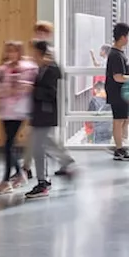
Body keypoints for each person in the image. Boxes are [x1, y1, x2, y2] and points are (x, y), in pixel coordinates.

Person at [26, 41, 76, 198]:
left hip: (46, 114)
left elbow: (52, 93)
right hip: (39, 114)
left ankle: (44, 182)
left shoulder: (52, 69)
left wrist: (33, 90)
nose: (32, 56)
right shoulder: (42, 68)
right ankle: (49, 176)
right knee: (40, 147)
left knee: (39, 147)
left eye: (34, 53)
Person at [0, 40, 36, 194]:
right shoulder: (3, 69)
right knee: (9, 144)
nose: (11, 54)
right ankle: (19, 174)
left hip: (19, 111)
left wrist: (18, 88)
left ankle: (6, 180)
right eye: (8, 51)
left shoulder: (27, 68)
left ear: (19, 52)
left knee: (8, 144)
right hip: (6, 110)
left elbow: (30, 87)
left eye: (14, 51)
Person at [20, 21, 55, 180]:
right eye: (38, 32)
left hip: (45, 105)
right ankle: (28, 169)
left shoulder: (48, 56)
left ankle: (66, 165)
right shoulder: (35, 52)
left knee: (41, 141)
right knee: (36, 139)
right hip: (36, 103)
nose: (39, 35)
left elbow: (50, 83)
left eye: (43, 32)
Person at [104, 23, 129, 161]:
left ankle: (119, 145)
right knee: (119, 120)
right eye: (127, 36)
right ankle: (118, 149)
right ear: (122, 37)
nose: (128, 39)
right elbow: (118, 77)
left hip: (122, 92)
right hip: (117, 93)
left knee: (125, 119)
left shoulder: (118, 54)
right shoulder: (116, 55)